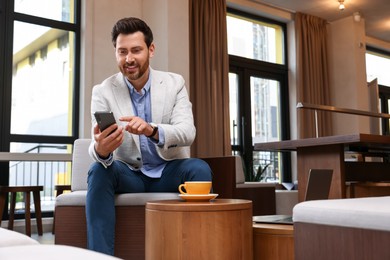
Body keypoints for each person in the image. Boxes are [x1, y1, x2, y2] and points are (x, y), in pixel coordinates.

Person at [86, 17, 213, 255]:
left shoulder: (174, 83)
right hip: (129, 174)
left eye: (136, 50)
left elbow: (188, 132)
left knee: (199, 169)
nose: (129, 59)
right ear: (116, 53)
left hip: (168, 170)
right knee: (97, 170)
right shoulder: (103, 91)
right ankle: (100, 257)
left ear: (150, 50)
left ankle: (197, 251)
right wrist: (102, 150)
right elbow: (96, 145)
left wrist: (151, 130)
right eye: (122, 52)